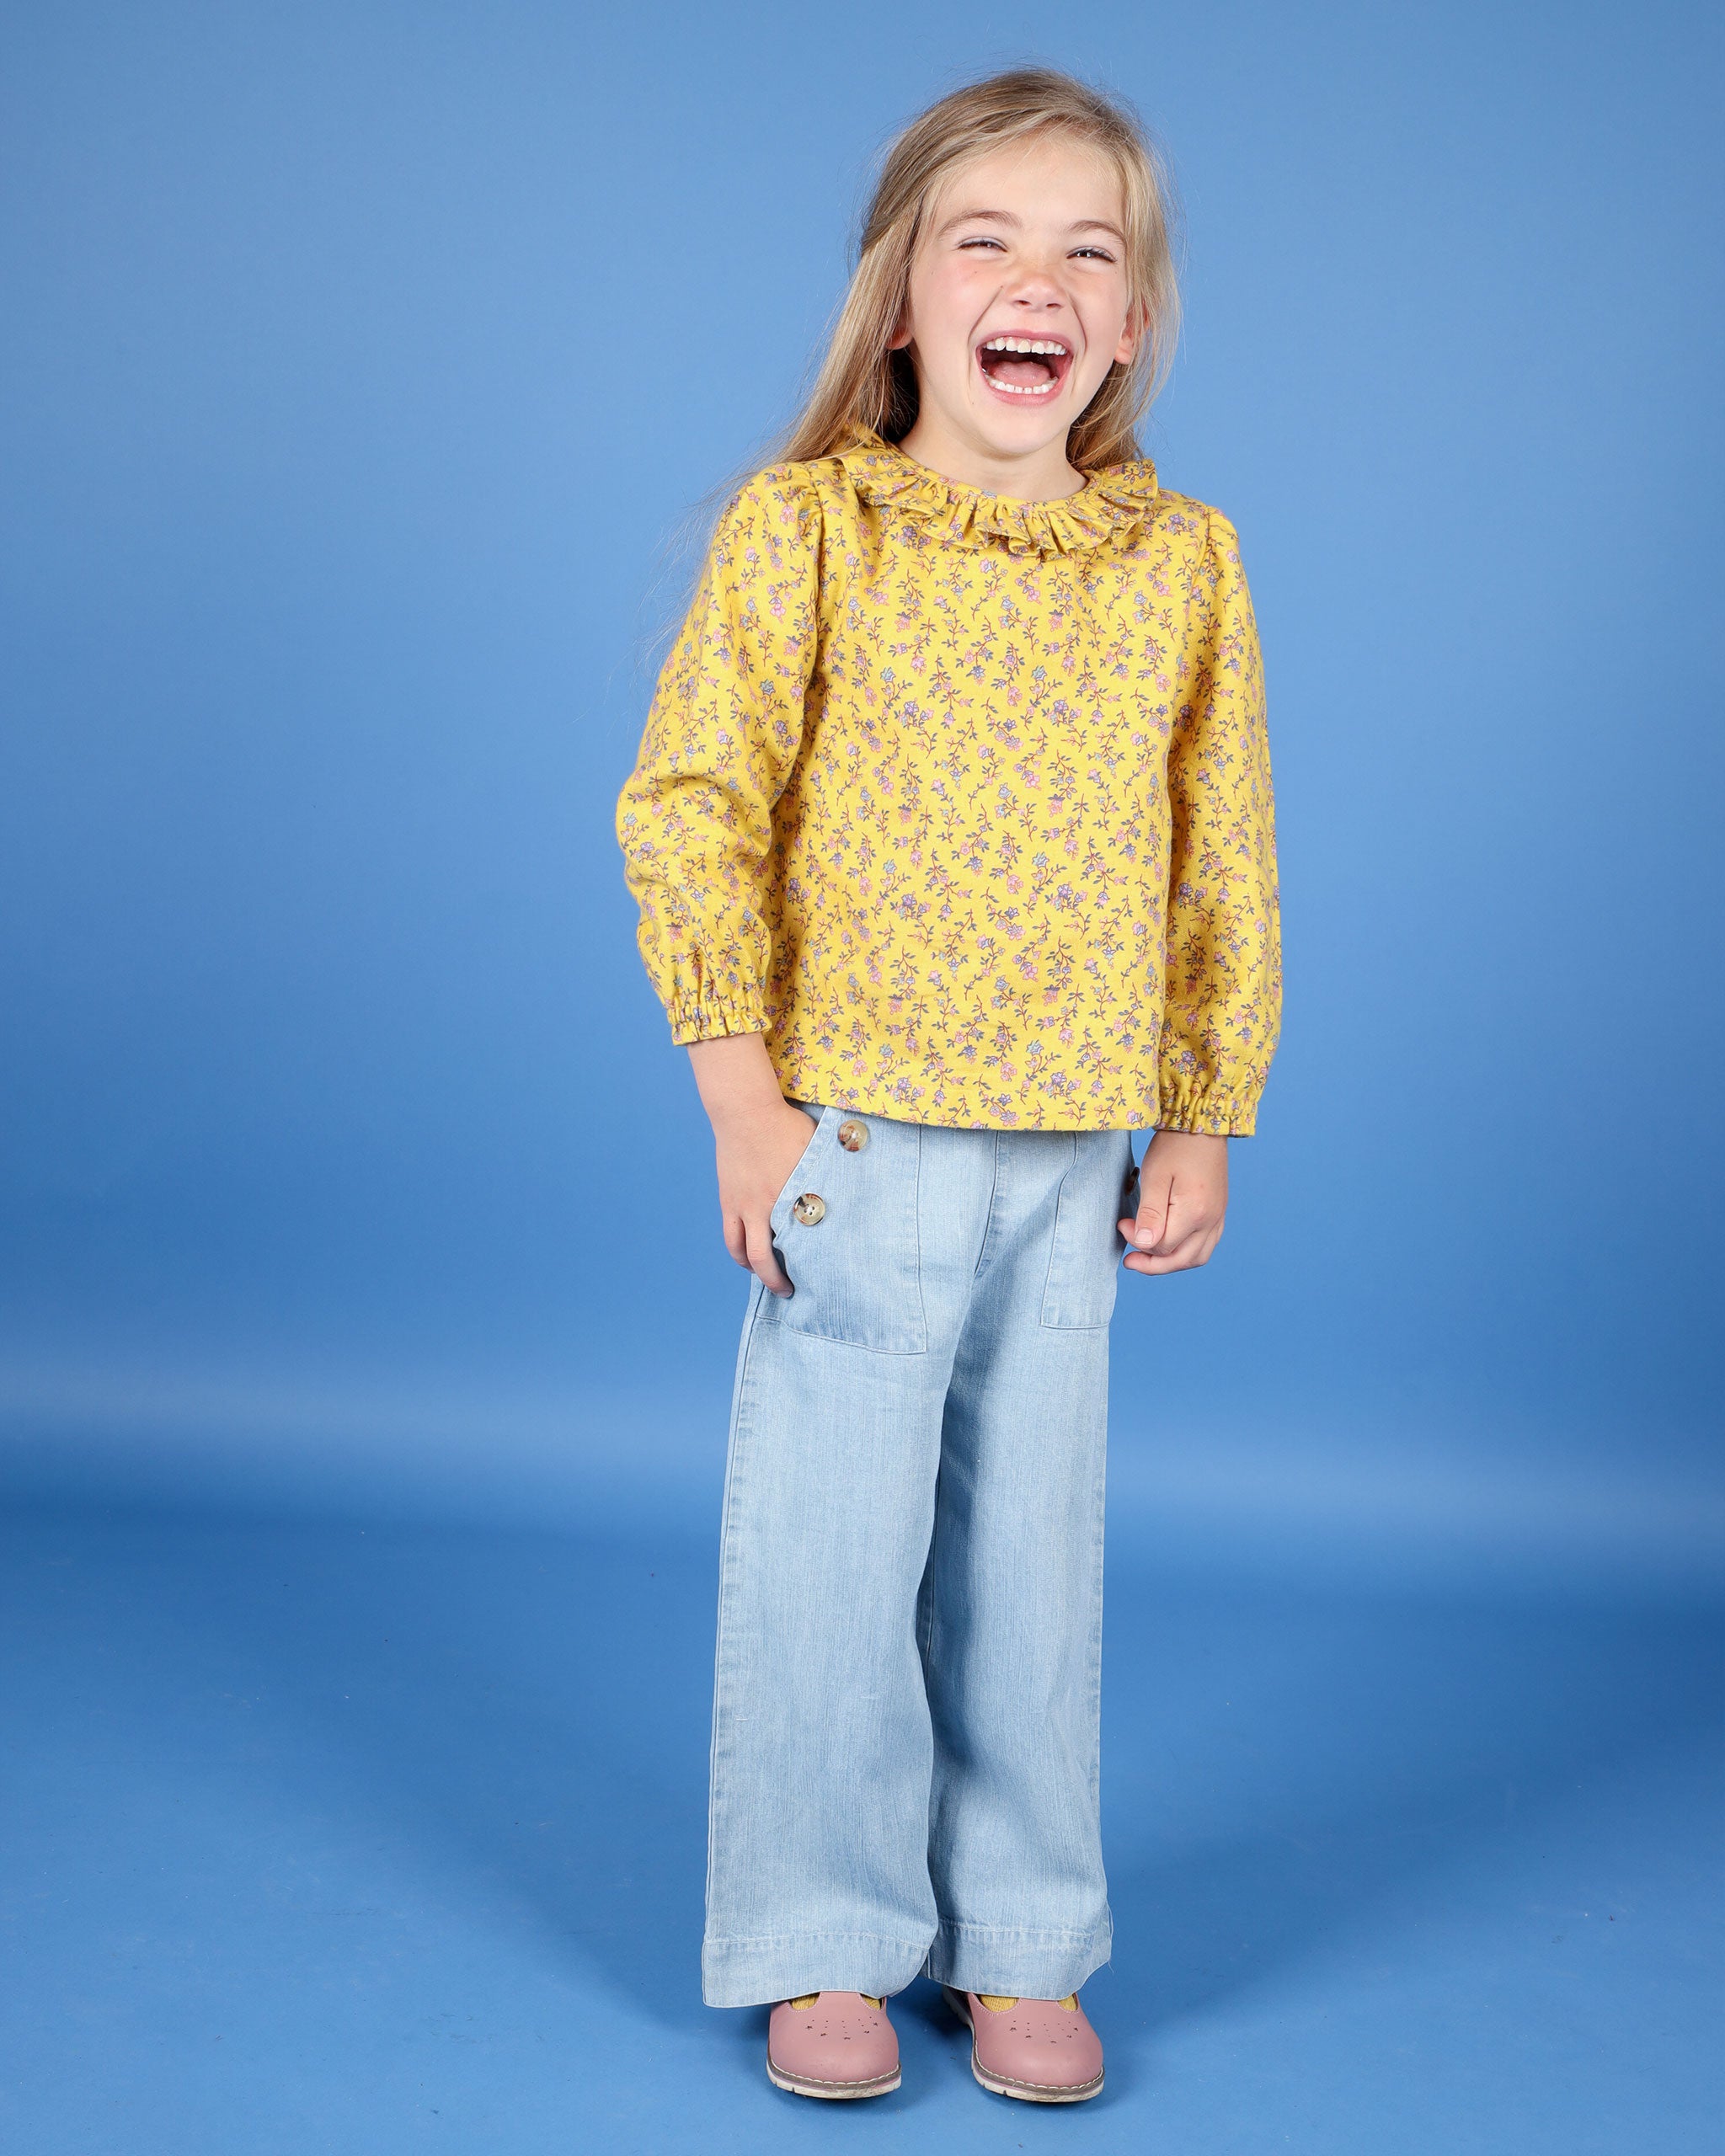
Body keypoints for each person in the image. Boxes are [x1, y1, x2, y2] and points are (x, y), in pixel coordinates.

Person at [615, 64, 1280, 2105]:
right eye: (984, 239)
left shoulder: (1178, 563)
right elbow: (693, 806)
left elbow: (1218, 852)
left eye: (1092, 251)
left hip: (1068, 1144)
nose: (1038, 282)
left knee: (1028, 1562)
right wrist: (744, 1102)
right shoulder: (809, 530)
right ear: (902, 300)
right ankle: (824, 1926)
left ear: (1135, 320)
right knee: (830, 1540)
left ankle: (1016, 1933)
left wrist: (1198, 1107)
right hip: (856, 1133)